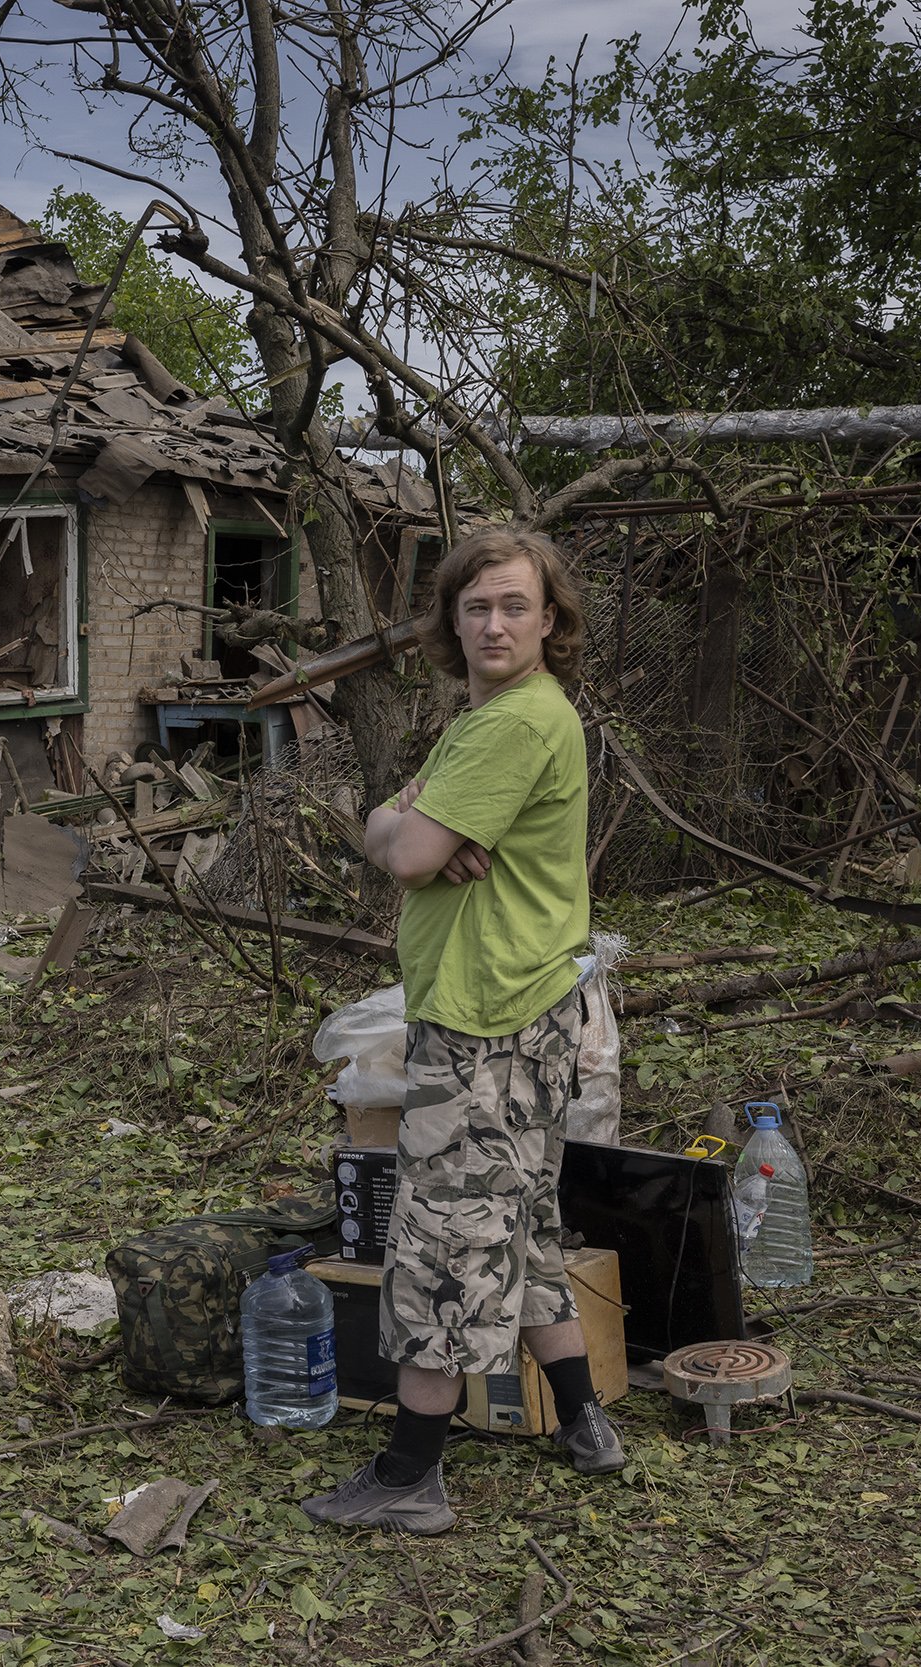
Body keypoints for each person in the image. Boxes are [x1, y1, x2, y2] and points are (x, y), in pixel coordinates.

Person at [303, 527, 623, 1535]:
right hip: (526, 1005)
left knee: (441, 1242)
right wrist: (401, 824)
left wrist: (406, 830)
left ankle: (411, 1472)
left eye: (514, 605)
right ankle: (583, 1419)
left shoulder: (511, 725)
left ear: (550, 619)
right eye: (475, 605)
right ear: (451, 617)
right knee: (519, 1223)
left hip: (486, 1016)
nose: (492, 622)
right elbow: (394, 828)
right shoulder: (497, 715)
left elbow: (404, 848)